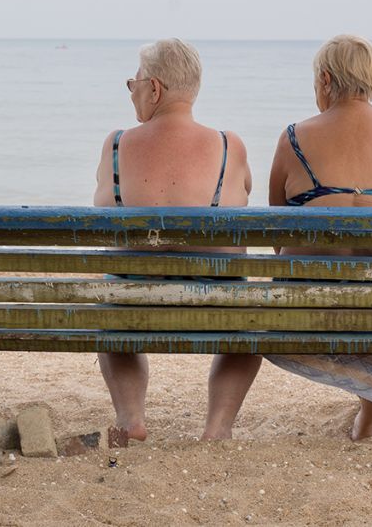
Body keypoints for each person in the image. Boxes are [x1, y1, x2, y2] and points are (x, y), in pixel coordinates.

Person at [203, 34, 372, 441]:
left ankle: (217, 428)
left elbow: (278, 233)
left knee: (253, 310)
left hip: (299, 306)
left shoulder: (295, 137)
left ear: (326, 80)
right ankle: (367, 423)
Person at [92, 38, 252, 442]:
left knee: (113, 303)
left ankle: (131, 419)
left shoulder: (116, 145)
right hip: (216, 304)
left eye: (134, 84)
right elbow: (244, 198)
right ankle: (218, 427)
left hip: (132, 302)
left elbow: (102, 218)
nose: (133, 93)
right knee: (249, 323)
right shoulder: (229, 145)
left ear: (155, 89)